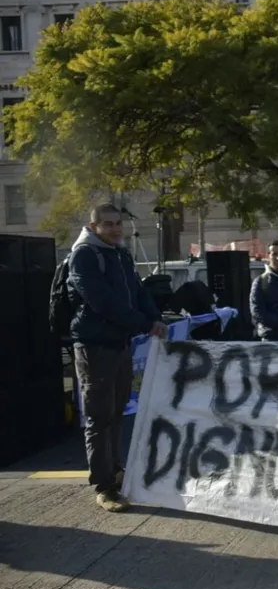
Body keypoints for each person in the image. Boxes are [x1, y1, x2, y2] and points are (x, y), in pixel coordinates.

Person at [69, 204, 167, 512]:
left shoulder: (120, 254)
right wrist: (144, 324)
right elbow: (102, 302)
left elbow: (137, 292)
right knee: (99, 417)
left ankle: (115, 470)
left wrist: (155, 317)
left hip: (120, 345)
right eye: (108, 224)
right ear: (94, 225)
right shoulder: (85, 254)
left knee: (117, 412)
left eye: (118, 224)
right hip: (94, 347)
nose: (115, 229)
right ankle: (104, 487)